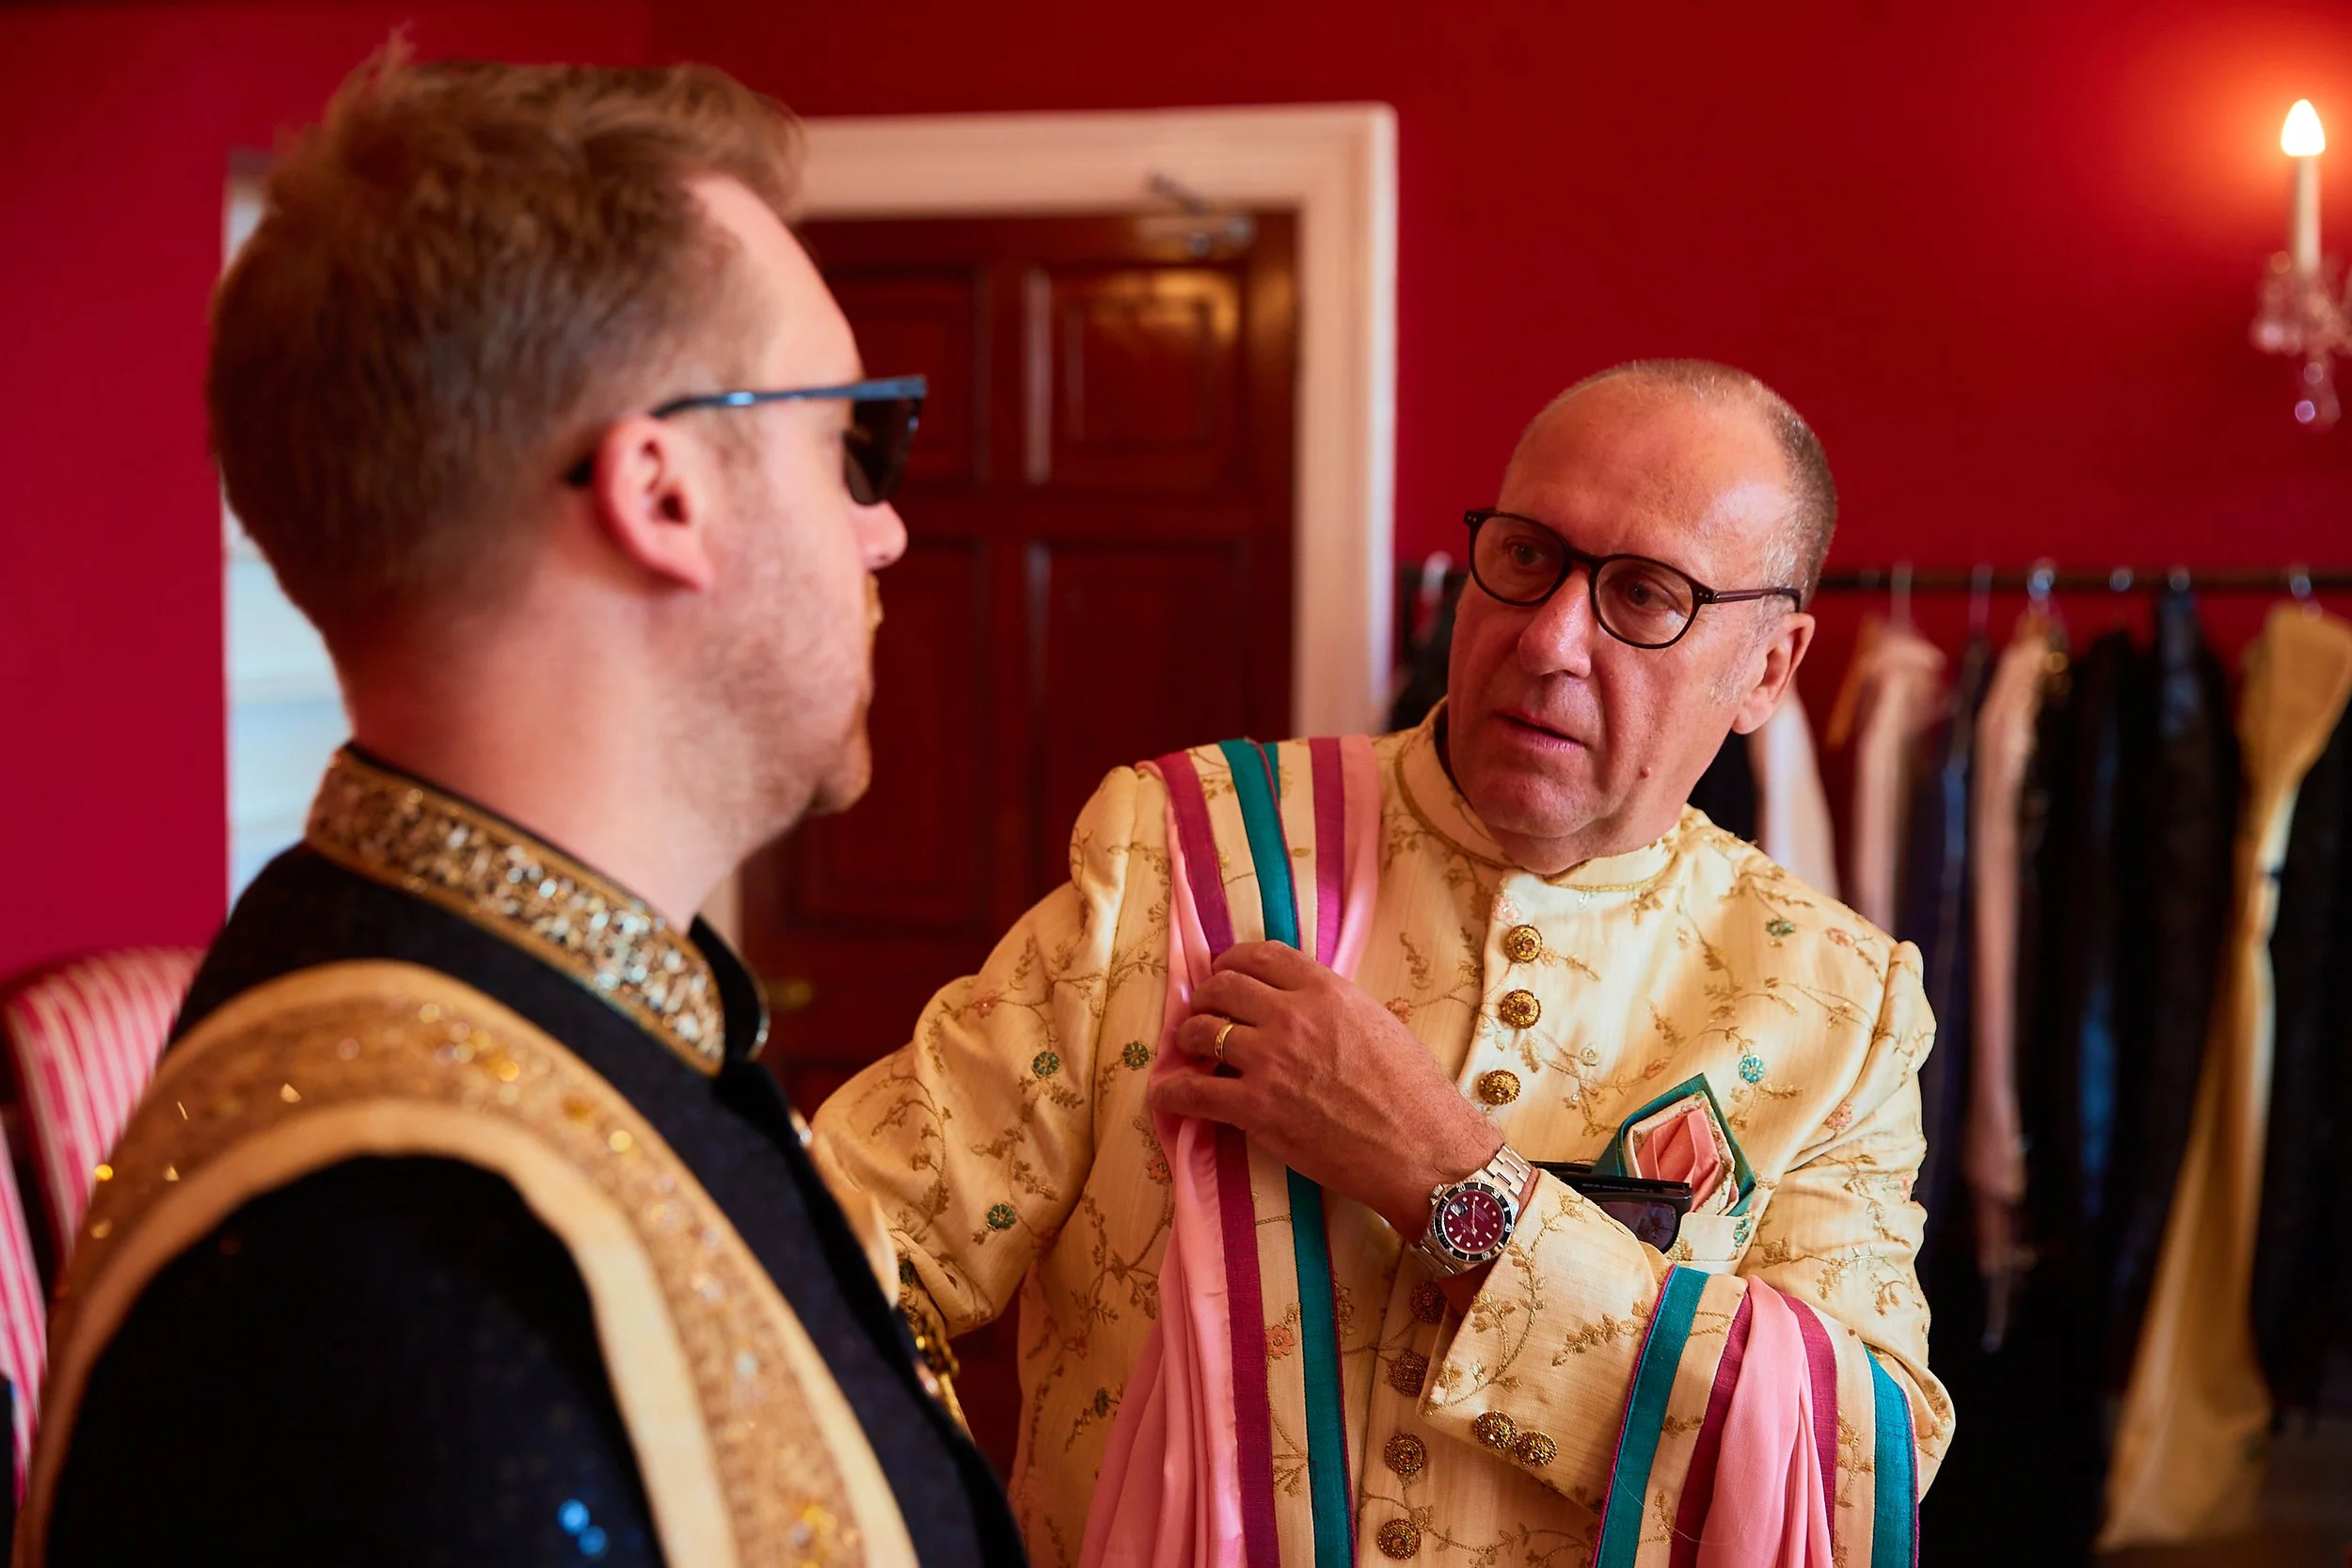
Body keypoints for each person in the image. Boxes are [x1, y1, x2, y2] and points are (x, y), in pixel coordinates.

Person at [17, 52, 1022, 1567]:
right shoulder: (394, 1278)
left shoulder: (580, 1001)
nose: (885, 527)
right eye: (854, 440)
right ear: (663, 490)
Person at [818, 360, 1953, 1564]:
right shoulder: (1184, 851)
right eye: (1525, 557)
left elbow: (1853, 1477)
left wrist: (1451, 1181)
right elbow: (855, 1245)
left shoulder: (1841, 1001)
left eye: (1643, 594)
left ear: (1767, 669)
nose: (1553, 639)